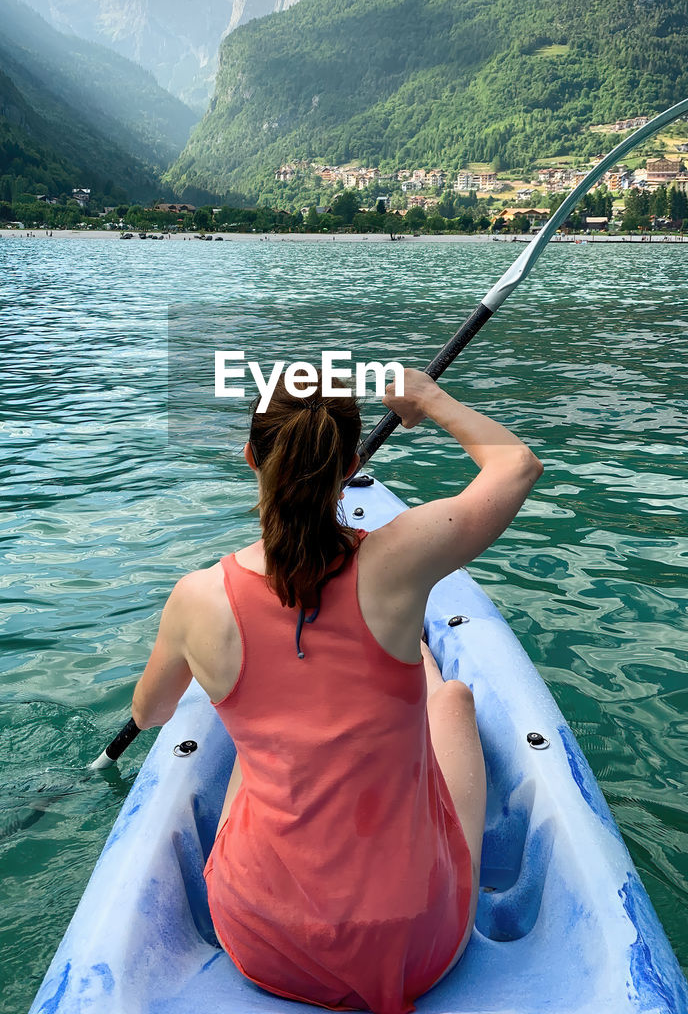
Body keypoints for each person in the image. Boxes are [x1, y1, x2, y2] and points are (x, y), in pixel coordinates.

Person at [131, 368, 543, 1013]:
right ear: (352, 466)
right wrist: (429, 401)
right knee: (451, 701)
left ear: (250, 457)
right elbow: (515, 465)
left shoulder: (196, 597)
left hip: (263, 937)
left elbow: (150, 712)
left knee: (251, 738)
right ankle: (423, 671)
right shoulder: (401, 558)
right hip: (410, 942)